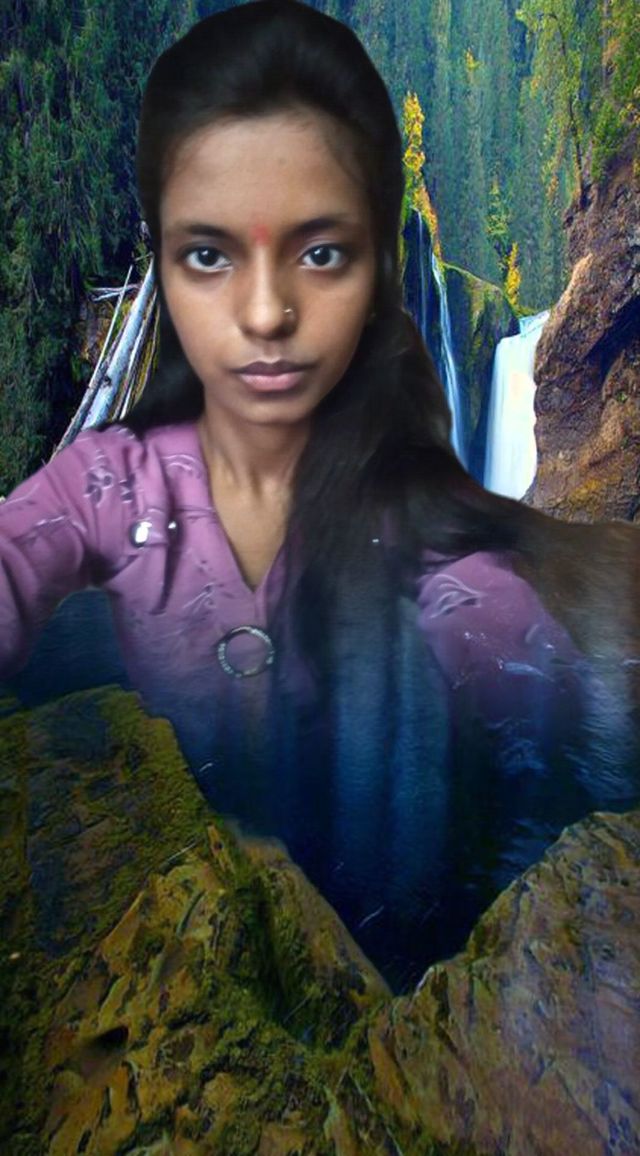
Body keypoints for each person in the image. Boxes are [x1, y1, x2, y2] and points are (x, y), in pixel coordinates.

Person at [1, 0, 638, 988]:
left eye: (319, 252)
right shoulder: (102, 485)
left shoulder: (469, 580)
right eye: (210, 253)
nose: (265, 313)